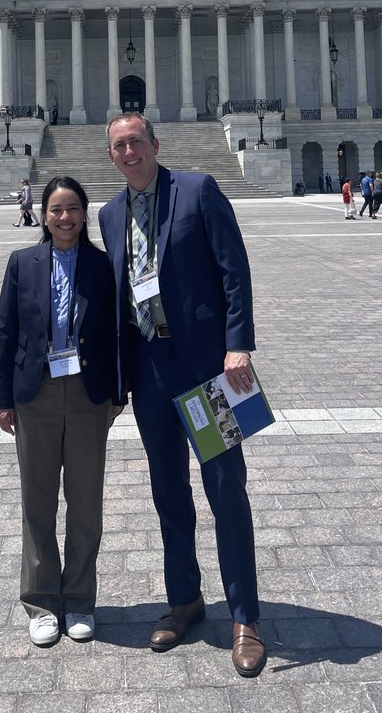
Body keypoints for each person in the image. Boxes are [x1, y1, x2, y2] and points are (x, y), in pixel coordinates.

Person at [98, 114, 266, 679]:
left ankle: (245, 617)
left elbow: (233, 271)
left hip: (203, 368)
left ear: (154, 145)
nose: (129, 153)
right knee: (167, 490)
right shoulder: (109, 213)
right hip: (149, 370)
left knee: (225, 487)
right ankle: (186, 599)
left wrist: (237, 346)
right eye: (119, 146)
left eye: (135, 143)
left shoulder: (196, 190)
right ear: (112, 155)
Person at [0, 176, 121, 648]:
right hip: (35, 394)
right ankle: (43, 601)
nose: (64, 217)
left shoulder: (102, 265)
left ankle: (81, 599)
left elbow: (114, 334)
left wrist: (117, 395)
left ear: (85, 214)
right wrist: (0, 398)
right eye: (55, 210)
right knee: (37, 503)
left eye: (72, 209)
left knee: (86, 503)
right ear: (42, 215)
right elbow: (6, 332)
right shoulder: (22, 263)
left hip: (88, 396)